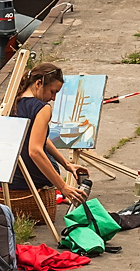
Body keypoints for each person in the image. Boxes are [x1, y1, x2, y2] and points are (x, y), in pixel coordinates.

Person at [9, 63, 88, 205]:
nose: (53, 98)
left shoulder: (13, 101)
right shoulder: (42, 108)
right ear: (39, 83)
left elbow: (41, 139)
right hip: (31, 178)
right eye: (53, 92)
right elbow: (35, 151)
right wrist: (63, 187)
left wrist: (66, 164)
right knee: (47, 162)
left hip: (10, 176)